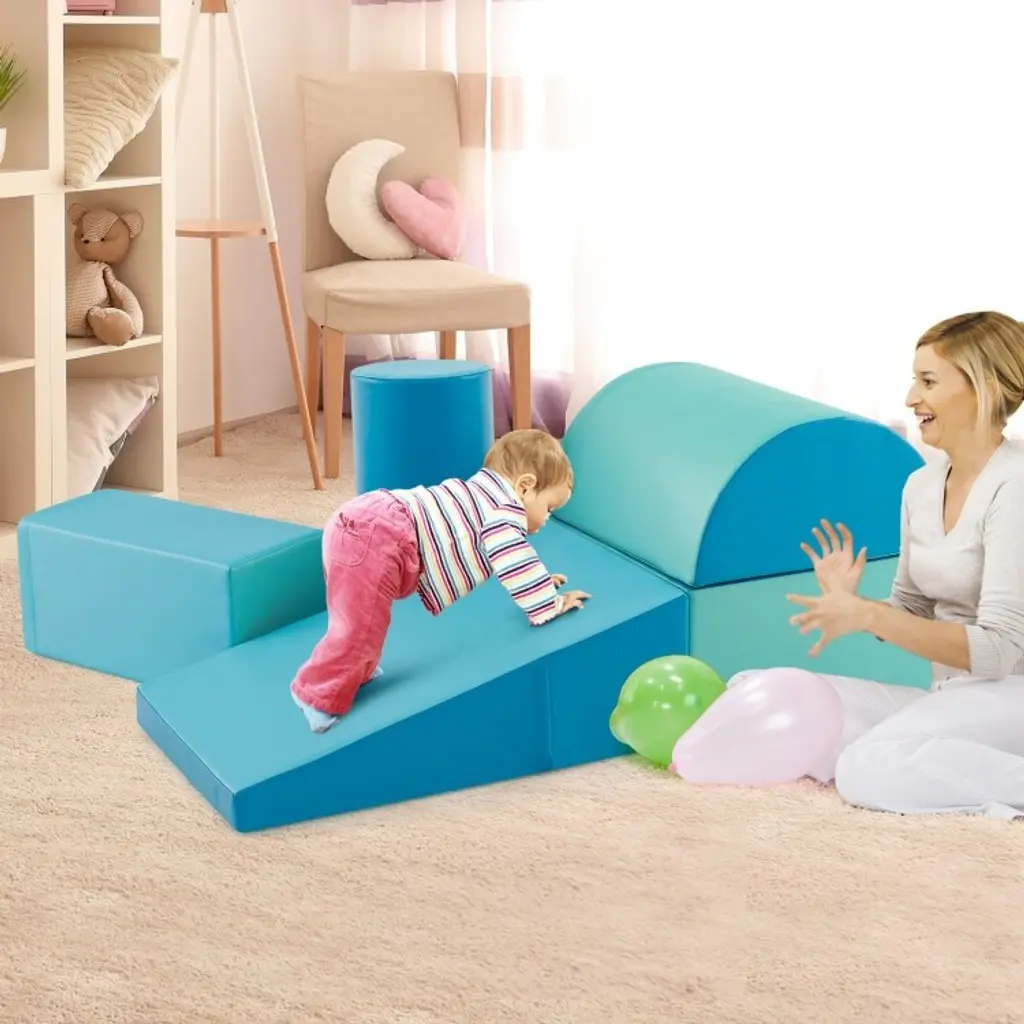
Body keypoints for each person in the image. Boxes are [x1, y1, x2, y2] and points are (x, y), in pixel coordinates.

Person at [784, 310, 1024, 819]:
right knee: (782, 693)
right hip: (953, 694)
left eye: (928, 382)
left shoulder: (1016, 483)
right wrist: (856, 604)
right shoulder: (921, 485)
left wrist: (868, 615)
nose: (911, 398)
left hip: (1013, 697)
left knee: (863, 769)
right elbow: (911, 610)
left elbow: (999, 650)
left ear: (983, 387)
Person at [290, 428, 590, 733]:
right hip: (377, 535)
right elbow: (511, 555)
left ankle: (356, 671)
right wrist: (547, 601)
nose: (547, 518)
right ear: (525, 487)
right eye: (549, 508)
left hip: (368, 520)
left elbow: (510, 559)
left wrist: (539, 579)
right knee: (358, 624)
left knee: (363, 618)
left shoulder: (482, 494)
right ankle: (314, 694)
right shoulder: (505, 509)